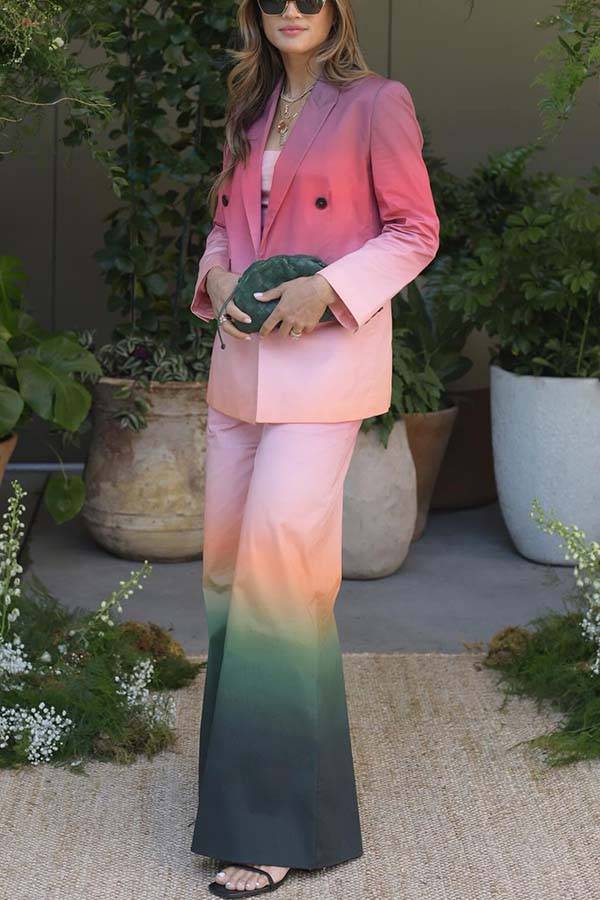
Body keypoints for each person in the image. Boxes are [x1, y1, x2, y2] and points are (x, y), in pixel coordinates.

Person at [189, 1, 440, 896]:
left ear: (336, 7)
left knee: (281, 582)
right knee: (229, 578)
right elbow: (225, 228)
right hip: (240, 370)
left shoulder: (377, 102)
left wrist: (327, 289)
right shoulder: (250, 107)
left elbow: (415, 231)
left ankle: (277, 826)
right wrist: (218, 276)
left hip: (321, 375)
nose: (290, 10)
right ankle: (239, 800)